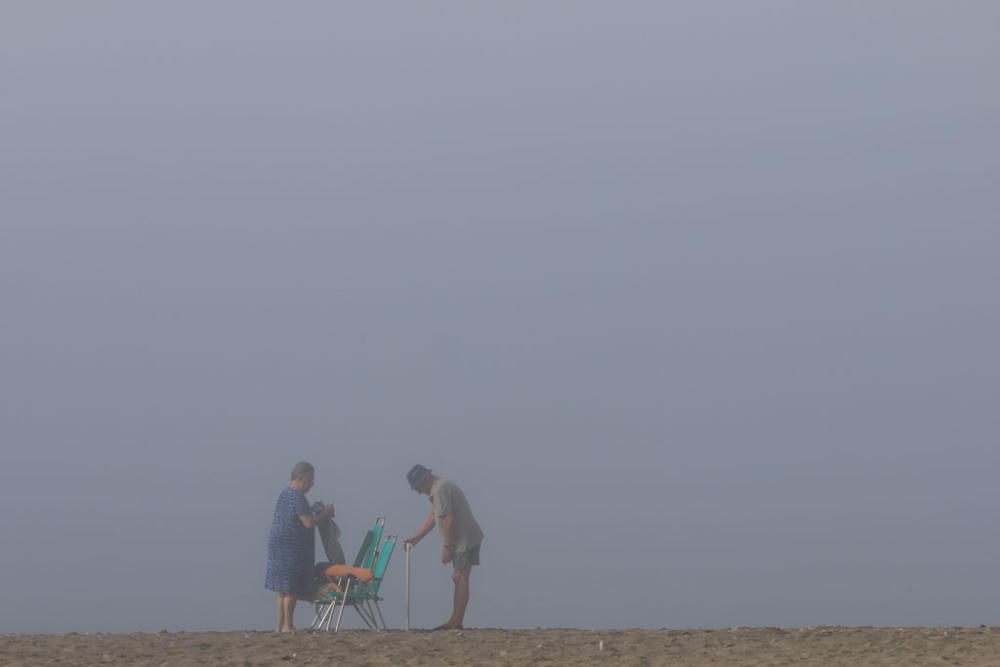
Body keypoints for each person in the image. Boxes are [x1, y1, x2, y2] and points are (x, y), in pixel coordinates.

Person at [404, 464, 484, 630]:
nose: (418, 491)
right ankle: (455, 619)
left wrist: (447, 547)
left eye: (418, 487)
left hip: (463, 539)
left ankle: (456, 621)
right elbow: (435, 515)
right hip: (466, 537)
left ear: (424, 480)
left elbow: (448, 520)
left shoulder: (440, 490)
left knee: (460, 577)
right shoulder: (439, 488)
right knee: (459, 578)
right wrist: (417, 537)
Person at [265, 461, 334, 632]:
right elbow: (308, 523)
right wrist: (325, 514)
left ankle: (280, 626)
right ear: (299, 477)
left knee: (282, 589)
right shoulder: (297, 496)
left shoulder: (285, 494)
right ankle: (288, 625)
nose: (312, 484)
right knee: (291, 588)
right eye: (309, 480)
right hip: (291, 547)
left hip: (278, 546)